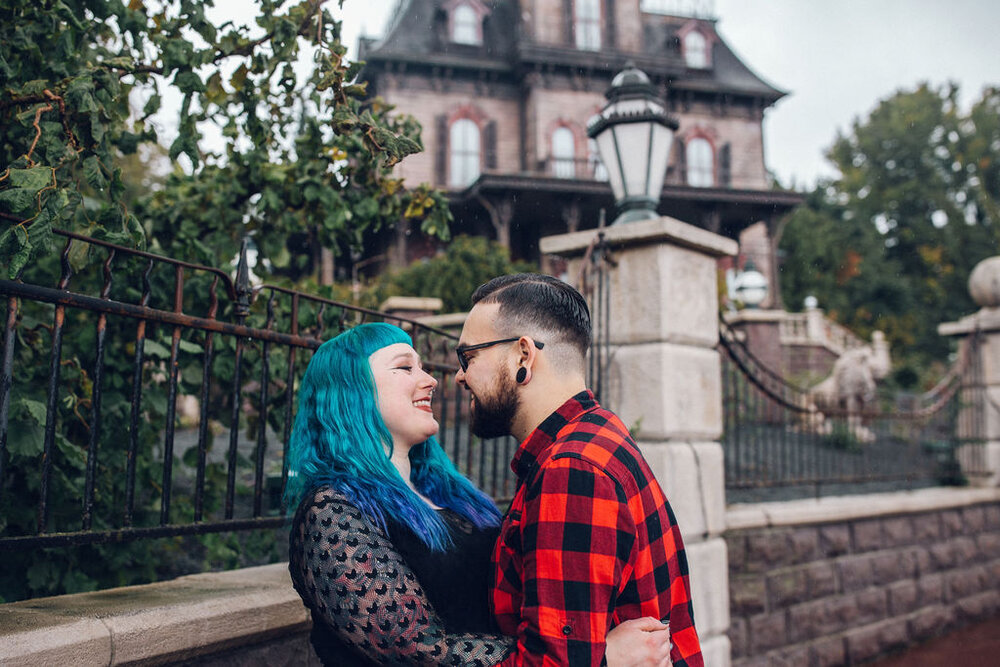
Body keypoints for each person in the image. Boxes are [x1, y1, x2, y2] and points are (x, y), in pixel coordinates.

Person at [285, 322, 673, 666]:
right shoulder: (331, 512)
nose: (432, 379)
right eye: (405, 367)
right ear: (351, 392)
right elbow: (421, 651)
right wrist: (595, 656)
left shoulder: (448, 494)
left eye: (422, 366)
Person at [454, 274, 704, 666]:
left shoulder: (571, 471)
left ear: (523, 355)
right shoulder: (598, 434)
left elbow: (552, 662)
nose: (459, 376)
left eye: (468, 357)